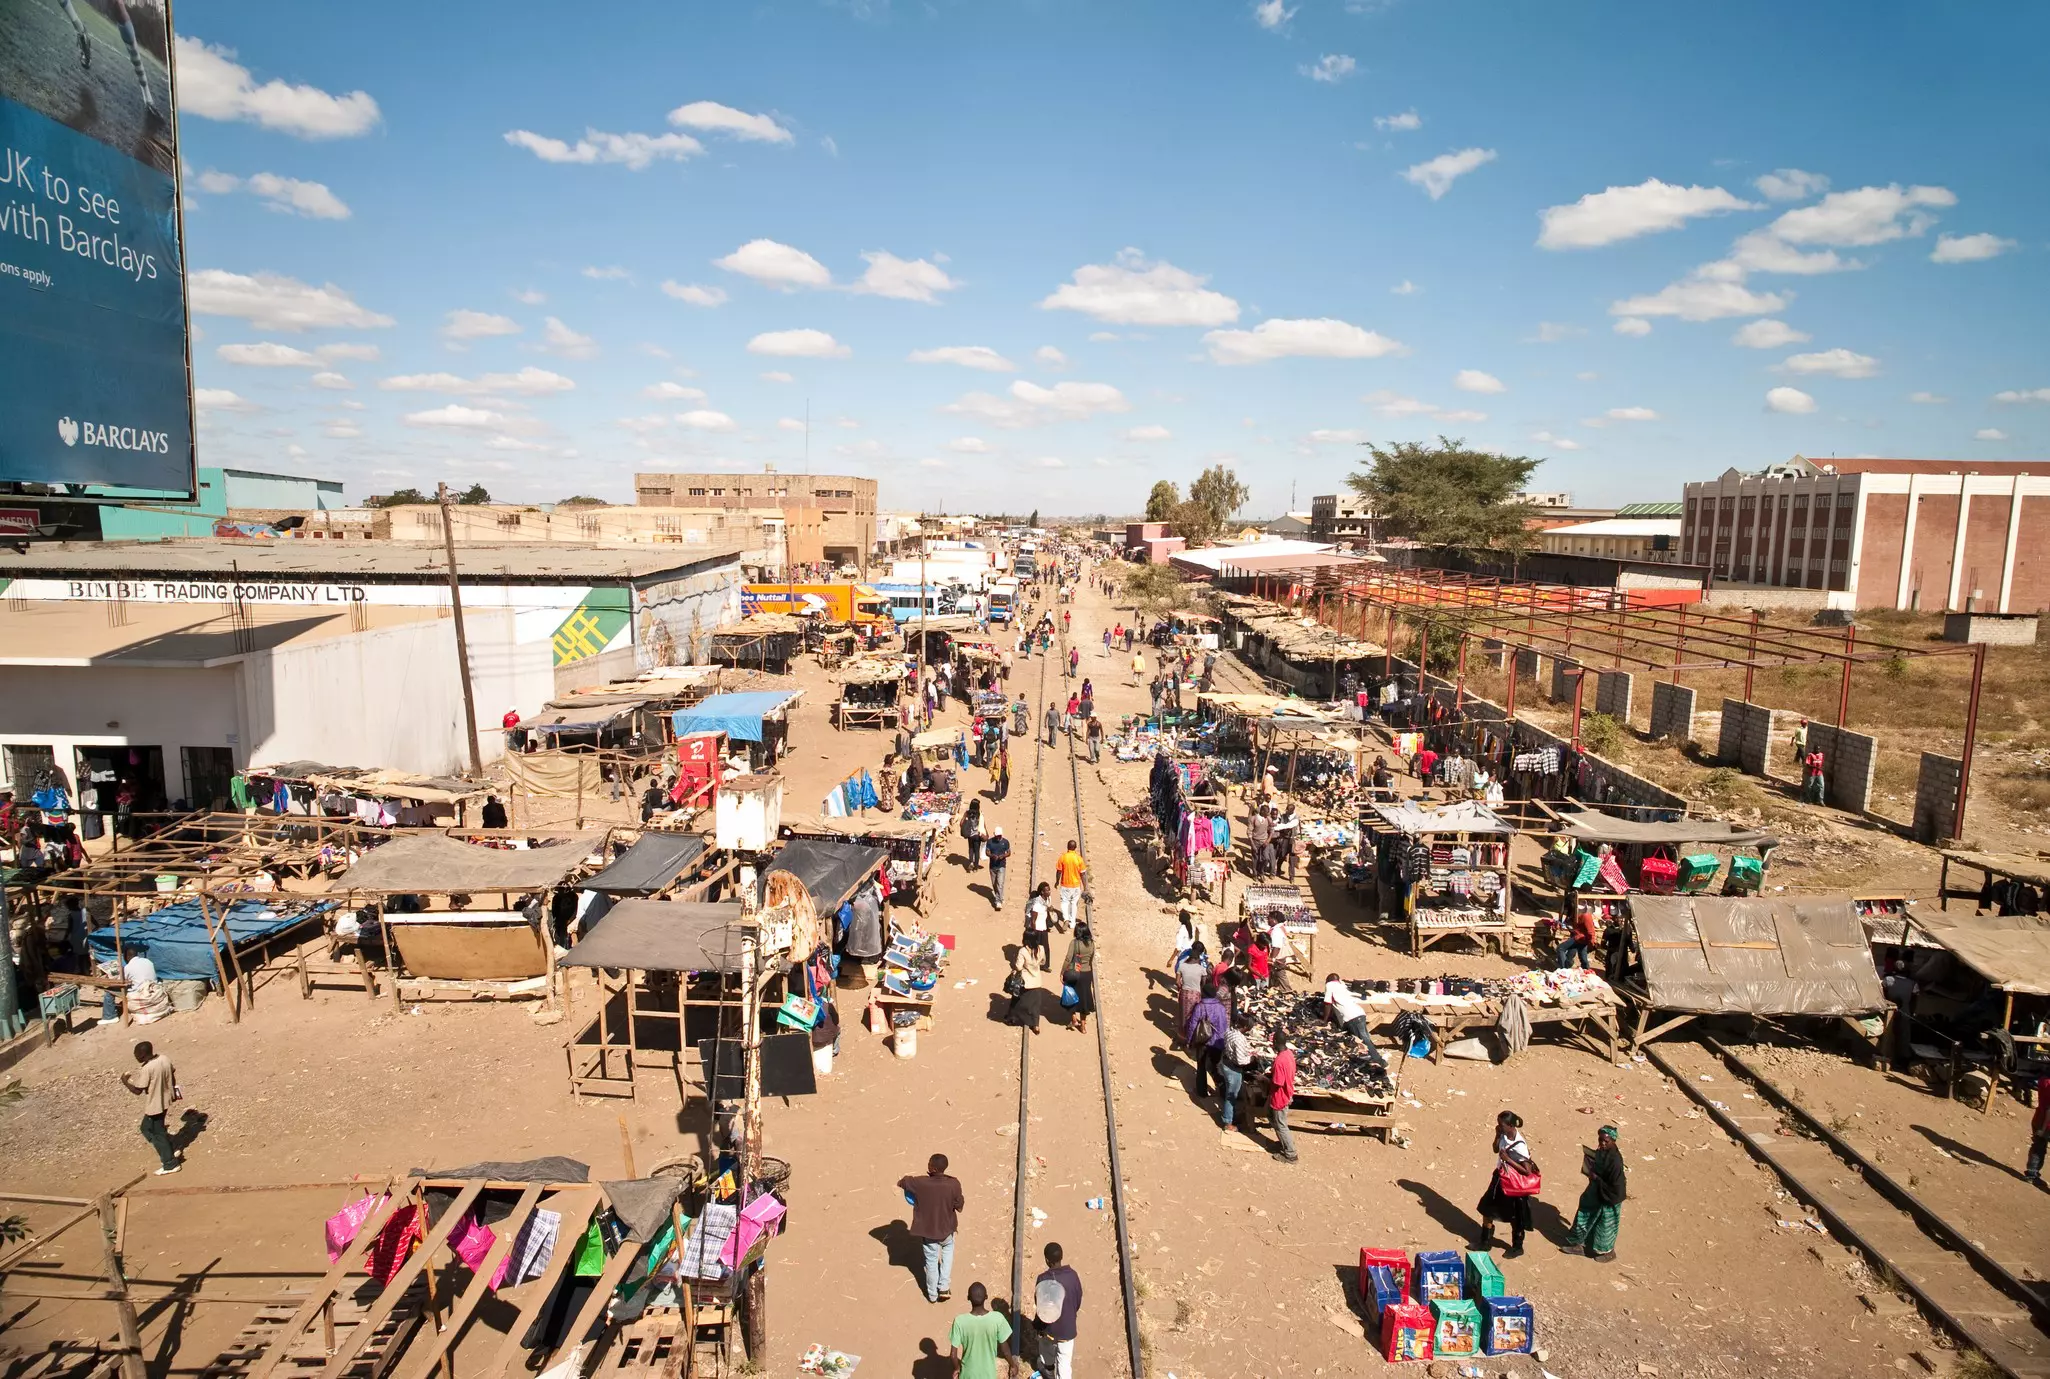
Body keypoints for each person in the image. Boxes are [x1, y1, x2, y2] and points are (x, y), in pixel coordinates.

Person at [899, 1154, 966, 1302]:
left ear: (933, 1168)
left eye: (929, 1164)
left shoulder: (920, 1183)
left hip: (929, 1234)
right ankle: (944, 1287)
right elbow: (959, 1206)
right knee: (947, 1257)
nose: (927, 1165)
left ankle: (932, 1294)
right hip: (947, 1231)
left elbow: (903, 1182)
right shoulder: (953, 1184)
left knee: (931, 1262)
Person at [1475, 1110, 1537, 1257]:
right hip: (1500, 1179)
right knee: (1486, 1209)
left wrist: (1508, 1160)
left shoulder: (1519, 1145)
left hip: (1514, 1186)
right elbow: (1495, 1149)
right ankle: (1485, 1242)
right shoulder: (1503, 1135)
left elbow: (1527, 1171)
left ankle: (1517, 1247)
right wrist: (1497, 1135)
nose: (1499, 1126)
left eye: (1501, 1125)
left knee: (1515, 1217)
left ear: (1510, 1125)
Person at [1560, 1125, 1627, 1260]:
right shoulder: (1602, 1151)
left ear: (1613, 1141)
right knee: (1585, 1213)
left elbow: (1616, 1185)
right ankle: (1579, 1243)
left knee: (1605, 1225)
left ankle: (1608, 1252)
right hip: (1597, 1190)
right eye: (1600, 1139)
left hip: (1610, 1196)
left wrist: (1597, 1178)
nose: (1602, 1143)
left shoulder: (1615, 1161)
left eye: (1605, 1141)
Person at [120, 1040, 182, 1174]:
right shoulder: (164, 1058)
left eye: (136, 1054)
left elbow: (137, 1090)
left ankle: (170, 1162)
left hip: (155, 1104)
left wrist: (125, 1081)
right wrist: (176, 1092)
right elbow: (172, 1075)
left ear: (142, 1054)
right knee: (146, 1128)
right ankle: (169, 1146)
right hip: (166, 1099)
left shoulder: (147, 1068)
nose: (135, 1056)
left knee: (156, 1133)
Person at [1035, 1243, 1084, 1379]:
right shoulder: (1073, 1276)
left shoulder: (1043, 1279)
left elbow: (1040, 1305)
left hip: (1048, 1328)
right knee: (1064, 1362)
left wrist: (1038, 1326)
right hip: (1067, 1329)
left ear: (1047, 1260)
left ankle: (1048, 1371)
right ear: (1061, 1257)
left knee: (1046, 1352)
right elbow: (1078, 1300)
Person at [949, 1281, 1013, 1379]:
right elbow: (1005, 1351)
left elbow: (953, 1355)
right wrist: (1012, 1365)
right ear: (986, 1297)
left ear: (968, 1298)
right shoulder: (997, 1318)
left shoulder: (960, 1321)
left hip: (968, 1374)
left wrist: (957, 1368)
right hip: (988, 1375)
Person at [1185, 980, 1230, 1100]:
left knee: (1201, 1066)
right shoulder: (1221, 1007)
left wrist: (1189, 1041)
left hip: (1203, 1041)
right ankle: (1223, 1091)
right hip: (1218, 1042)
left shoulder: (1200, 1007)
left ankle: (1202, 1091)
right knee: (1216, 1067)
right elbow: (1225, 1025)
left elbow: (1192, 1025)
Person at [1265, 1030, 1299, 1163]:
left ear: (1275, 1043)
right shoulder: (1288, 1054)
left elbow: (1278, 1082)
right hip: (1287, 1092)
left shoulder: (1279, 1060)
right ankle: (1284, 1143)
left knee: (1281, 1124)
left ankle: (1291, 1154)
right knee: (1271, 1116)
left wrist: (1264, 1079)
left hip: (1280, 1096)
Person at [1218, 1010, 1254, 1135]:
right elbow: (1240, 1060)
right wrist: (1251, 1057)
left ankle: (1233, 1115)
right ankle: (1228, 1123)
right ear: (1244, 1027)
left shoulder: (1229, 1031)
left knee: (1231, 1092)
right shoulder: (1239, 1039)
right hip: (1233, 1068)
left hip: (1226, 1063)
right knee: (1231, 1095)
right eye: (1248, 1027)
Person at [1061, 922, 1096, 1034]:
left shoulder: (1074, 943)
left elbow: (1068, 958)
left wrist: (1062, 972)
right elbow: (1091, 958)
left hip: (1075, 973)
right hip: (1087, 973)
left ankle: (1074, 1019)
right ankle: (1083, 1026)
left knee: (1071, 995)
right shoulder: (1091, 943)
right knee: (1084, 998)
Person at [1174, 941, 1209, 1046]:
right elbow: (1204, 983)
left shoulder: (1182, 966)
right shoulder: (1202, 969)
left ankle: (1182, 1039)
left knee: (1183, 1018)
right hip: (1196, 995)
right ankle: (1192, 1039)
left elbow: (1177, 982)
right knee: (1194, 1018)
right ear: (1198, 958)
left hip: (1184, 994)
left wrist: (1181, 988)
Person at [1054, 840, 1087, 928]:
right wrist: (1085, 887)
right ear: (1075, 848)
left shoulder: (1063, 857)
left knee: (1064, 902)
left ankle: (1065, 919)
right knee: (1074, 903)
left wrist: (1057, 881)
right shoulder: (1079, 858)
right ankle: (1072, 923)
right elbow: (1083, 874)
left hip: (1065, 884)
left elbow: (1059, 871)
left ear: (1067, 847)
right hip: (1076, 885)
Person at [1556, 904, 1599, 971]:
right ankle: (1586, 970)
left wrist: (1591, 943)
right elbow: (1569, 923)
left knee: (1560, 948)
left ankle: (1564, 969)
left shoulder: (1586, 916)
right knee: (1582, 957)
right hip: (1578, 937)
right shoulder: (1574, 916)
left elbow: (1591, 932)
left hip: (1580, 938)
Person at [2025, 1074, 2050, 1186]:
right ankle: (2032, 1174)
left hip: (2039, 1117)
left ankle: (2031, 1174)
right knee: (2038, 1149)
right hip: (2047, 1124)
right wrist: (2043, 1129)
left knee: (2038, 1148)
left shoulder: (2043, 1080)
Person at [1023, 882, 1054, 967]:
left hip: (1043, 928)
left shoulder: (1048, 899)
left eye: (1049, 890)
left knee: (1045, 948)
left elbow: (1047, 907)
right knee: (1035, 948)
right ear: (1042, 892)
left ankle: (1045, 965)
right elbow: (1033, 920)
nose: (1049, 892)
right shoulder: (1037, 904)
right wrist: (1034, 933)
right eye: (1047, 890)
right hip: (1037, 929)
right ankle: (1033, 964)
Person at [985, 826, 1012, 909]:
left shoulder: (1006, 842)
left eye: (999, 835)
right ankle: (1000, 896)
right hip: (992, 866)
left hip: (1001, 866)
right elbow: (987, 852)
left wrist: (1003, 856)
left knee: (1000, 883)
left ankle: (998, 901)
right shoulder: (990, 842)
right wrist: (992, 856)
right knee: (994, 884)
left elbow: (1009, 852)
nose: (998, 837)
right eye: (997, 836)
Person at [1274, 800, 1299, 882]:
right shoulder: (1284, 816)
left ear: (1292, 810)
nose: (1286, 811)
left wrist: (1277, 827)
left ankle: (1292, 876)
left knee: (1292, 859)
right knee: (1282, 855)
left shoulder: (1296, 819)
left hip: (1292, 840)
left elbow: (1287, 826)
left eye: (1288, 810)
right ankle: (1278, 869)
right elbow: (1281, 825)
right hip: (1285, 839)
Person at [1247, 806, 1274, 879]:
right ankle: (1255, 874)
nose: (1268, 814)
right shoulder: (1253, 819)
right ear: (1262, 811)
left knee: (1266, 858)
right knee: (1255, 858)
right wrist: (1252, 844)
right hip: (1255, 841)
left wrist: (1268, 840)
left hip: (1264, 841)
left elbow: (1272, 830)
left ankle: (1261, 872)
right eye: (1266, 812)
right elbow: (1249, 832)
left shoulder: (1268, 819)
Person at [962, 798, 985, 871]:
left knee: (971, 849)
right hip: (977, 835)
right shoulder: (979, 813)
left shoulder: (967, 813)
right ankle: (976, 867)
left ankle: (971, 861)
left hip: (970, 835)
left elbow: (962, 822)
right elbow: (983, 824)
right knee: (977, 850)